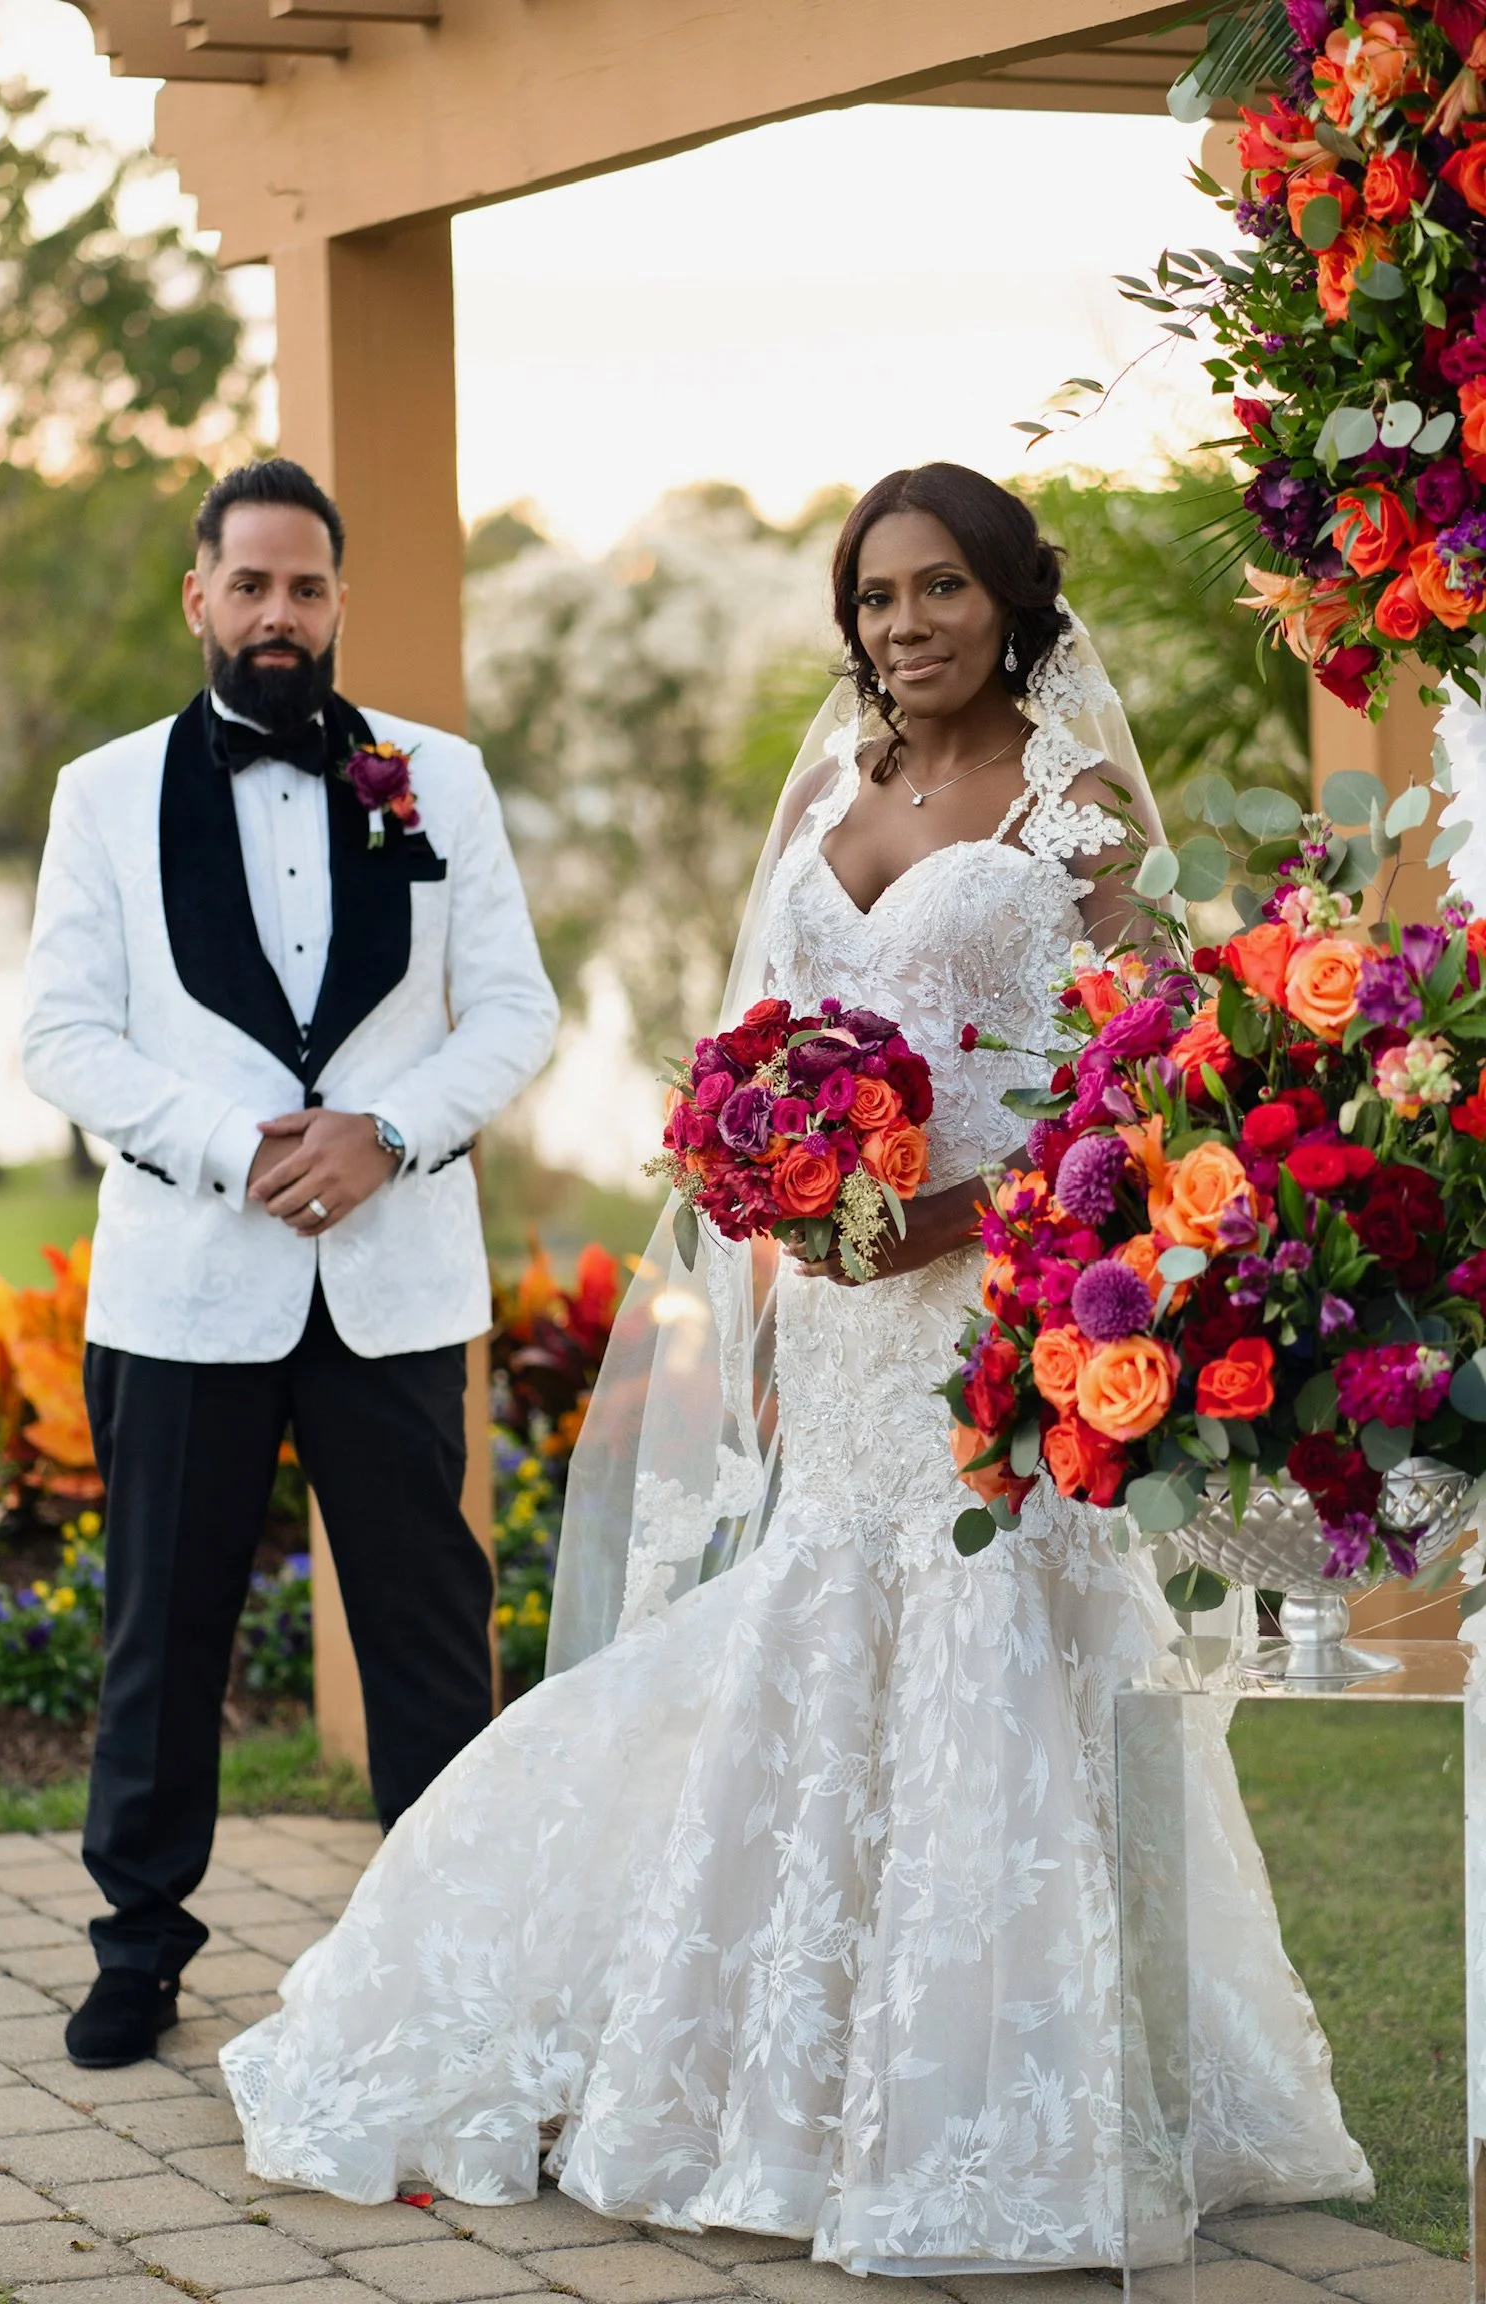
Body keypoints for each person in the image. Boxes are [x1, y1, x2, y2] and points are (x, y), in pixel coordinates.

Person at [219, 465, 1368, 2274]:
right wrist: (763, 1228)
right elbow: (747, 1059)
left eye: (937, 594)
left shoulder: (1073, 807)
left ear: (1011, 600)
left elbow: (1159, 1070)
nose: (902, 630)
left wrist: (976, 1208)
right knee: (819, 1646)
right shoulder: (831, 789)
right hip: (827, 1317)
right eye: (874, 600)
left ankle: (978, 2111)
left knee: (990, 1657)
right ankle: (786, 2074)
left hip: (991, 1304)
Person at [21, 457, 558, 2071]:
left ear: (337, 602)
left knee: (424, 1623)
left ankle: (449, 1949)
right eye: (248, 584)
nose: (277, 613)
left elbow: (517, 1013)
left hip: (393, 1280)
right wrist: (233, 1144)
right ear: (200, 596)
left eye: (305, 587)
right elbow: (62, 1031)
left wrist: (386, 1129)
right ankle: (139, 1948)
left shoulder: (435, 779)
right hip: (189, 1279)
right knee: (160, 1626)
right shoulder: (103, 793)